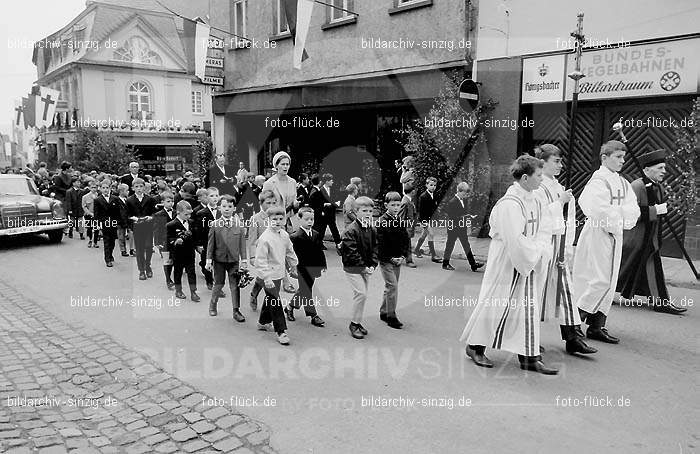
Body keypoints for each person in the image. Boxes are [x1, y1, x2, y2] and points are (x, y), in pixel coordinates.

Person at [460, 155, 557, 374]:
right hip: (508, 261)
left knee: (527, 309)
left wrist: (540, 249)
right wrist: (535, 252)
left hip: (528, 259)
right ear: (525, 177)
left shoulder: (536, 198)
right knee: (496, 304)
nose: (542, 179)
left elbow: (545, 226)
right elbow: (515, 239)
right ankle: (475, 346)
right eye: (539, 175)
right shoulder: (510, 204)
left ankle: (529, 357)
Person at [573, 140, 640, 344]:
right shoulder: (598, 181)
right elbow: (596, 208)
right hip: (598, 233)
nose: (623, 160)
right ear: (604, 157)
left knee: (610, 282)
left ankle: (596, 325)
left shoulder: (622, 182)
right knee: (598, 279)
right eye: (618, 157)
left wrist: (620, 219)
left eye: (623, 157)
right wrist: (616, 219)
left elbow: (633, 209)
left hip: (615, 234)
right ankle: (574, 324)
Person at [533, 144, 597, 355]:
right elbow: (540, 218)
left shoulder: (558, 187)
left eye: (561, 161)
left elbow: (568, 221)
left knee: (567, 292)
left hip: (559, 247)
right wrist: (560, 202)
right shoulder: (538, 187)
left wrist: (567, 248)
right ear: (542, 163)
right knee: (536, 292)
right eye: (556, 161)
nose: (561, 165)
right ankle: (527, 337)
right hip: (543, 246)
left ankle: (573, 337)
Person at [616, 149, 686, 315]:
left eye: (664, 168)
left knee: (632, 269)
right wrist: (654, 210)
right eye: (660, 168)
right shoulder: (637, 186)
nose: (664, 171)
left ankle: (659, 301)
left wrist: (659, 211)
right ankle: (661, 302)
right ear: (647, 169)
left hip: (650, 238)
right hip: (636, 238)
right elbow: (628, 212)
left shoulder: (658, 187)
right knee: (642, 267)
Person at [255, 205, 298, 345]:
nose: (278, 221)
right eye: (274, 219)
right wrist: (266, 278)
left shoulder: (284, 235)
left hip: (279, 274)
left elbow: (290, 251)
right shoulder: (264, 238)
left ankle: (263, 322)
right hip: (267, 275)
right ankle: (281, 331)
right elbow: (260, 261)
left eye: (281, 218)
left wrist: (293, 265)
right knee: (275, 301)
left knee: (270, 299)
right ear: (268, 220)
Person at [340, 196, 378, 339]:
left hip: (366, 268)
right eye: (364, 210)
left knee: (362, 296)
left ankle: (358, 321)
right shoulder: (351, 230)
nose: (368, 213)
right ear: (356, 211)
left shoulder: (372, 229)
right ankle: (353, 324)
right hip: (353, 268)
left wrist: (373, 265)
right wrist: (364, 267)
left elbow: (376, 248)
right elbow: (351, 252)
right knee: (361, 294)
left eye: (370, 210)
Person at [206, 195, 248, 321]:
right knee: (218, 284)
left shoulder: (239, 225)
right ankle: (213, 305)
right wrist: (208, 261)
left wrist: (244, 261)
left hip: (234, 261)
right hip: (219, 261)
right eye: (224, 206)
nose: (227, 209)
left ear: (234, 208)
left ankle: (236, 311)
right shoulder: (215, 224)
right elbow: (210, 244)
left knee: (235, 286)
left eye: (230, 207)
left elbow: (242, 245)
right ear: (219, 208)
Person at [287, 207, 327, 327]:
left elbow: (320, 251)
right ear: (299, 219)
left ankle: (289, 307)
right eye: (306, 219)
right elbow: (291, 255)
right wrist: (291, 268)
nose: (310, 222)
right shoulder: (295, 237)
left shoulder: (316, 234)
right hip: (301, 268)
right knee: (306, 290)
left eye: (312, 219)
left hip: (313, 267)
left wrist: (322, 266)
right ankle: (313, 315)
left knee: (305, 290)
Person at [377, 192, 411, 329]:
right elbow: (380, 244)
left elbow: (405, 240)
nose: (396, 207)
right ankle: (391, 316)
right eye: (393, 205)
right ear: (386, 205)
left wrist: (403, 256)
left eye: (398, 205)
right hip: (386, 260)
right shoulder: (382, 222)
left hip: (398, 259)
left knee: (390, 286)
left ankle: (384, 311)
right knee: (393, 286)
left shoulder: (399, 220)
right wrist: (390, 258)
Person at [441, 182, 484, 272]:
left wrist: (468, 216)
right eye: (464, 193)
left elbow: (461, 213)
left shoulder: (463, 200)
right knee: (450, 245)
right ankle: (445, 263)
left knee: (466, 245)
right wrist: (466, 216)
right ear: (459, 191)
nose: (466, 195)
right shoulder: (452, 201)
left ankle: (473, 265)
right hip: (453, 227)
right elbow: (452, 216)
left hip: (461, 227)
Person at [248, 190, 278, 311]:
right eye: (268, 202)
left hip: (274, 254)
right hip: (261, 255)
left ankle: (255, 291)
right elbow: (251, 240)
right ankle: (270, 310)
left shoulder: (277, 217)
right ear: (261, 203)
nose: (271, 205)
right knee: (268, 280)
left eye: (273, 203)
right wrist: (252, 256)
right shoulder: (256, 219)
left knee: (264, 278)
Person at [167, 201, 201, 302]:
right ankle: (178, 290)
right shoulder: (171, 225)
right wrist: (175, 241)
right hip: (178, 254)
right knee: (178, 272)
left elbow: (195, 236)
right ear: (178, 212)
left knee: (191, 272)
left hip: (190, 252)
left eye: (190, 214)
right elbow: (168, 239)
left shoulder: (191, 222)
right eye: (186, 214)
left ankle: (193, 292)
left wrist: (197, 246)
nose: (188, 216)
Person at [126, 178, 158, 280]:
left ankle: (148, 265)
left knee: (148, 247)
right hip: (137, 227)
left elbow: (154, 213)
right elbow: (127, 215)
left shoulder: (150, 199)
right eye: (136, 187)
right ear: (132, 188)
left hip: (148, 227)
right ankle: (141, 270)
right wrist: (133, 219)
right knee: (139, 249)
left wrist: (151, 217)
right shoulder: (129, 200)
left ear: (144, 187)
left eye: (141, 186)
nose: (139, 189)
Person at [195, 187, 223, 293]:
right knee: (208, 261)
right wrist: (199, 244)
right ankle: (209, 281)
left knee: (219, 263)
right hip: (207, 241)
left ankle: (218, 283)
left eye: (216, 195)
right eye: (212, 196)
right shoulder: (201, 213)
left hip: (221, 241)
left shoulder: (222, 210)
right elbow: (199, 230)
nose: (215, 198)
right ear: (206, 197)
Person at [262, 151, 300, 230]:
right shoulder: (269, 183)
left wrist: (296, 203)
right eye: (283, 164)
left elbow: (294, 200)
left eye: (287, 164)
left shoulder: (293, 182)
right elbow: (265, 206)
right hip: (276, 223)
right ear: (276, 166)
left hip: (291, 222)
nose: (285, 167)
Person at [93, 178, 121, 268]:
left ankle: (111, 254)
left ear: (110, 189)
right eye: (103, 188)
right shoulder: (97, 200)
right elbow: (96, 214)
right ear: (100, 189)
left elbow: (118, 211)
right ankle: (107, 259)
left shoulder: (115, 199)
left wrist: (118, 222)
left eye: (107, 188)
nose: (105, 189)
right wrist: (98, 225)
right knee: (107, 242)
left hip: (113, 223)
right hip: (104, 223)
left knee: (112, 241)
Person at [311, 173, 342, 252]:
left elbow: (337, 199)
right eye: (331, 180)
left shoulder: (333, 190)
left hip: (331, 213)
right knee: (322, 230)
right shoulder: (320, 190)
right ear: (327, 181)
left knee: (334, 229)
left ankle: (338, 244)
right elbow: (317, 203)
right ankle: (319, 244)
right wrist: (323, 205)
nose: (332, 182)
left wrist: (334, 203)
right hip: (323, 214)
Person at [414, 177, 441, 263]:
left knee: (424, 235)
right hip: (424, 219)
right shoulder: (423, 196)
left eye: (435, 185)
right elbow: (421, 211)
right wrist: (423, 222)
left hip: (431, 219)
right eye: (431, 185)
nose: (433, 187)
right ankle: (433, 255)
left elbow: (434, 208)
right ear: (426, 185)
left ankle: (417, 249)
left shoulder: (435, 195)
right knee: (431, 234)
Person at [153, 191, 176, 290]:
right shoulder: (159, 214)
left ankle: (173, 277)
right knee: (167, 261)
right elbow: (156, 229)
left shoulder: (176, 212)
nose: (170, 203)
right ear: (162, 202)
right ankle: (168, 279)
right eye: (168, 201)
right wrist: (157, 242)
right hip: (164, 241)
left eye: (172, 201)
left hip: (175, 240)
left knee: (174, 260)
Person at [399, 183, 418, 268]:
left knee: (404, 244)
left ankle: (397, 258)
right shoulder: (405, 202)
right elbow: (401, 217)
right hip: (406, 227)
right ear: (412, 191)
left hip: (409, 226)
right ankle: (409, 261)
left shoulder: (409, 200)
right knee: (407, 244)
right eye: (414, 190)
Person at [82, 178, 100, 248]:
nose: (94, 189)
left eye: (95, 187)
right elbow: (84, 206)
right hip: (88, 215)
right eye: (92, 187)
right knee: (89, 228)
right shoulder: (85, 197)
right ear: (89, 188)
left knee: (96, 228)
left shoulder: (99, 196)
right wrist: (89, 213)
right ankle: (89, 240)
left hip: (97, 214)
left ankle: (95, 242)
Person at [115, 183, 131, 257]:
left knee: (130, 235)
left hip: (127, 220)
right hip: (120, 221)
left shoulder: (128, 200)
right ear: (121, 191)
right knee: (121, 236)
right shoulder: (116, 200)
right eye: (126, 190)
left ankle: (132, 249)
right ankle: (123, 250)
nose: (128, 192)